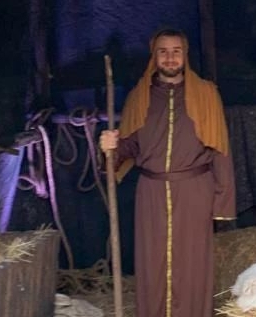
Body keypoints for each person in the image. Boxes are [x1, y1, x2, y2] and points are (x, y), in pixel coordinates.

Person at [100, 28, 236, 317]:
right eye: (163, 51)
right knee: (153, 263)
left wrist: (222, 204)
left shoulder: (207, 94)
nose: (170, 57)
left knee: (192, 264)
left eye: (176, 51)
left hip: (195, 190)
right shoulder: (139, 97)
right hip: (151, 194)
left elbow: (220, 150)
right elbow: (127, 149)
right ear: (154, 56)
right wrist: (110, 147)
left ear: (185, 56)